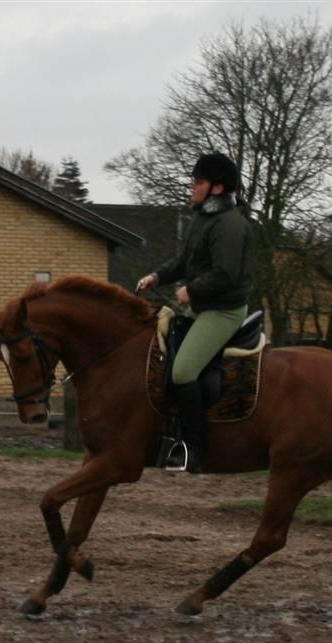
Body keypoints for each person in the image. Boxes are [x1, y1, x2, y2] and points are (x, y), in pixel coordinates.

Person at [137, 151, 254, 473]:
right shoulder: (203, 219)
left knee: (184, 371)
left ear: (217, 188)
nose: (192, 187)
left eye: (198, 182)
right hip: (200, 308)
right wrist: (157, 276)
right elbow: (184, 263)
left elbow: (225, 274)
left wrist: (191, 290)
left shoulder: (230, 225)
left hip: (222, 311)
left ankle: (193, 450)